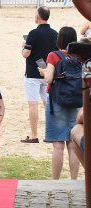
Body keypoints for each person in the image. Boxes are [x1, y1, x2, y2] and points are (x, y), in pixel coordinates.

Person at [38, 26, 80, 180]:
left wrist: (43, 72)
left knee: (58, 145)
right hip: (76, 101)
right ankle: (74, 180)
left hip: (57, 101)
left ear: (59, 39)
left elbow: (48, 79)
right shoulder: (79, 56)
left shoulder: (53, 55)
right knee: (72, 144)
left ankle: (55, 181)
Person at [21, 6, 58, 143]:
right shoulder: (55, 33)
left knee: (33, 104)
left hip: (32, 72)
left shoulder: (33, 33)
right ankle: (52, 133)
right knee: (48, 103)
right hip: (48, 71)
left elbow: (26, 54)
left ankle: (33, 134)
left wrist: (23, 46)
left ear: (37, 17)